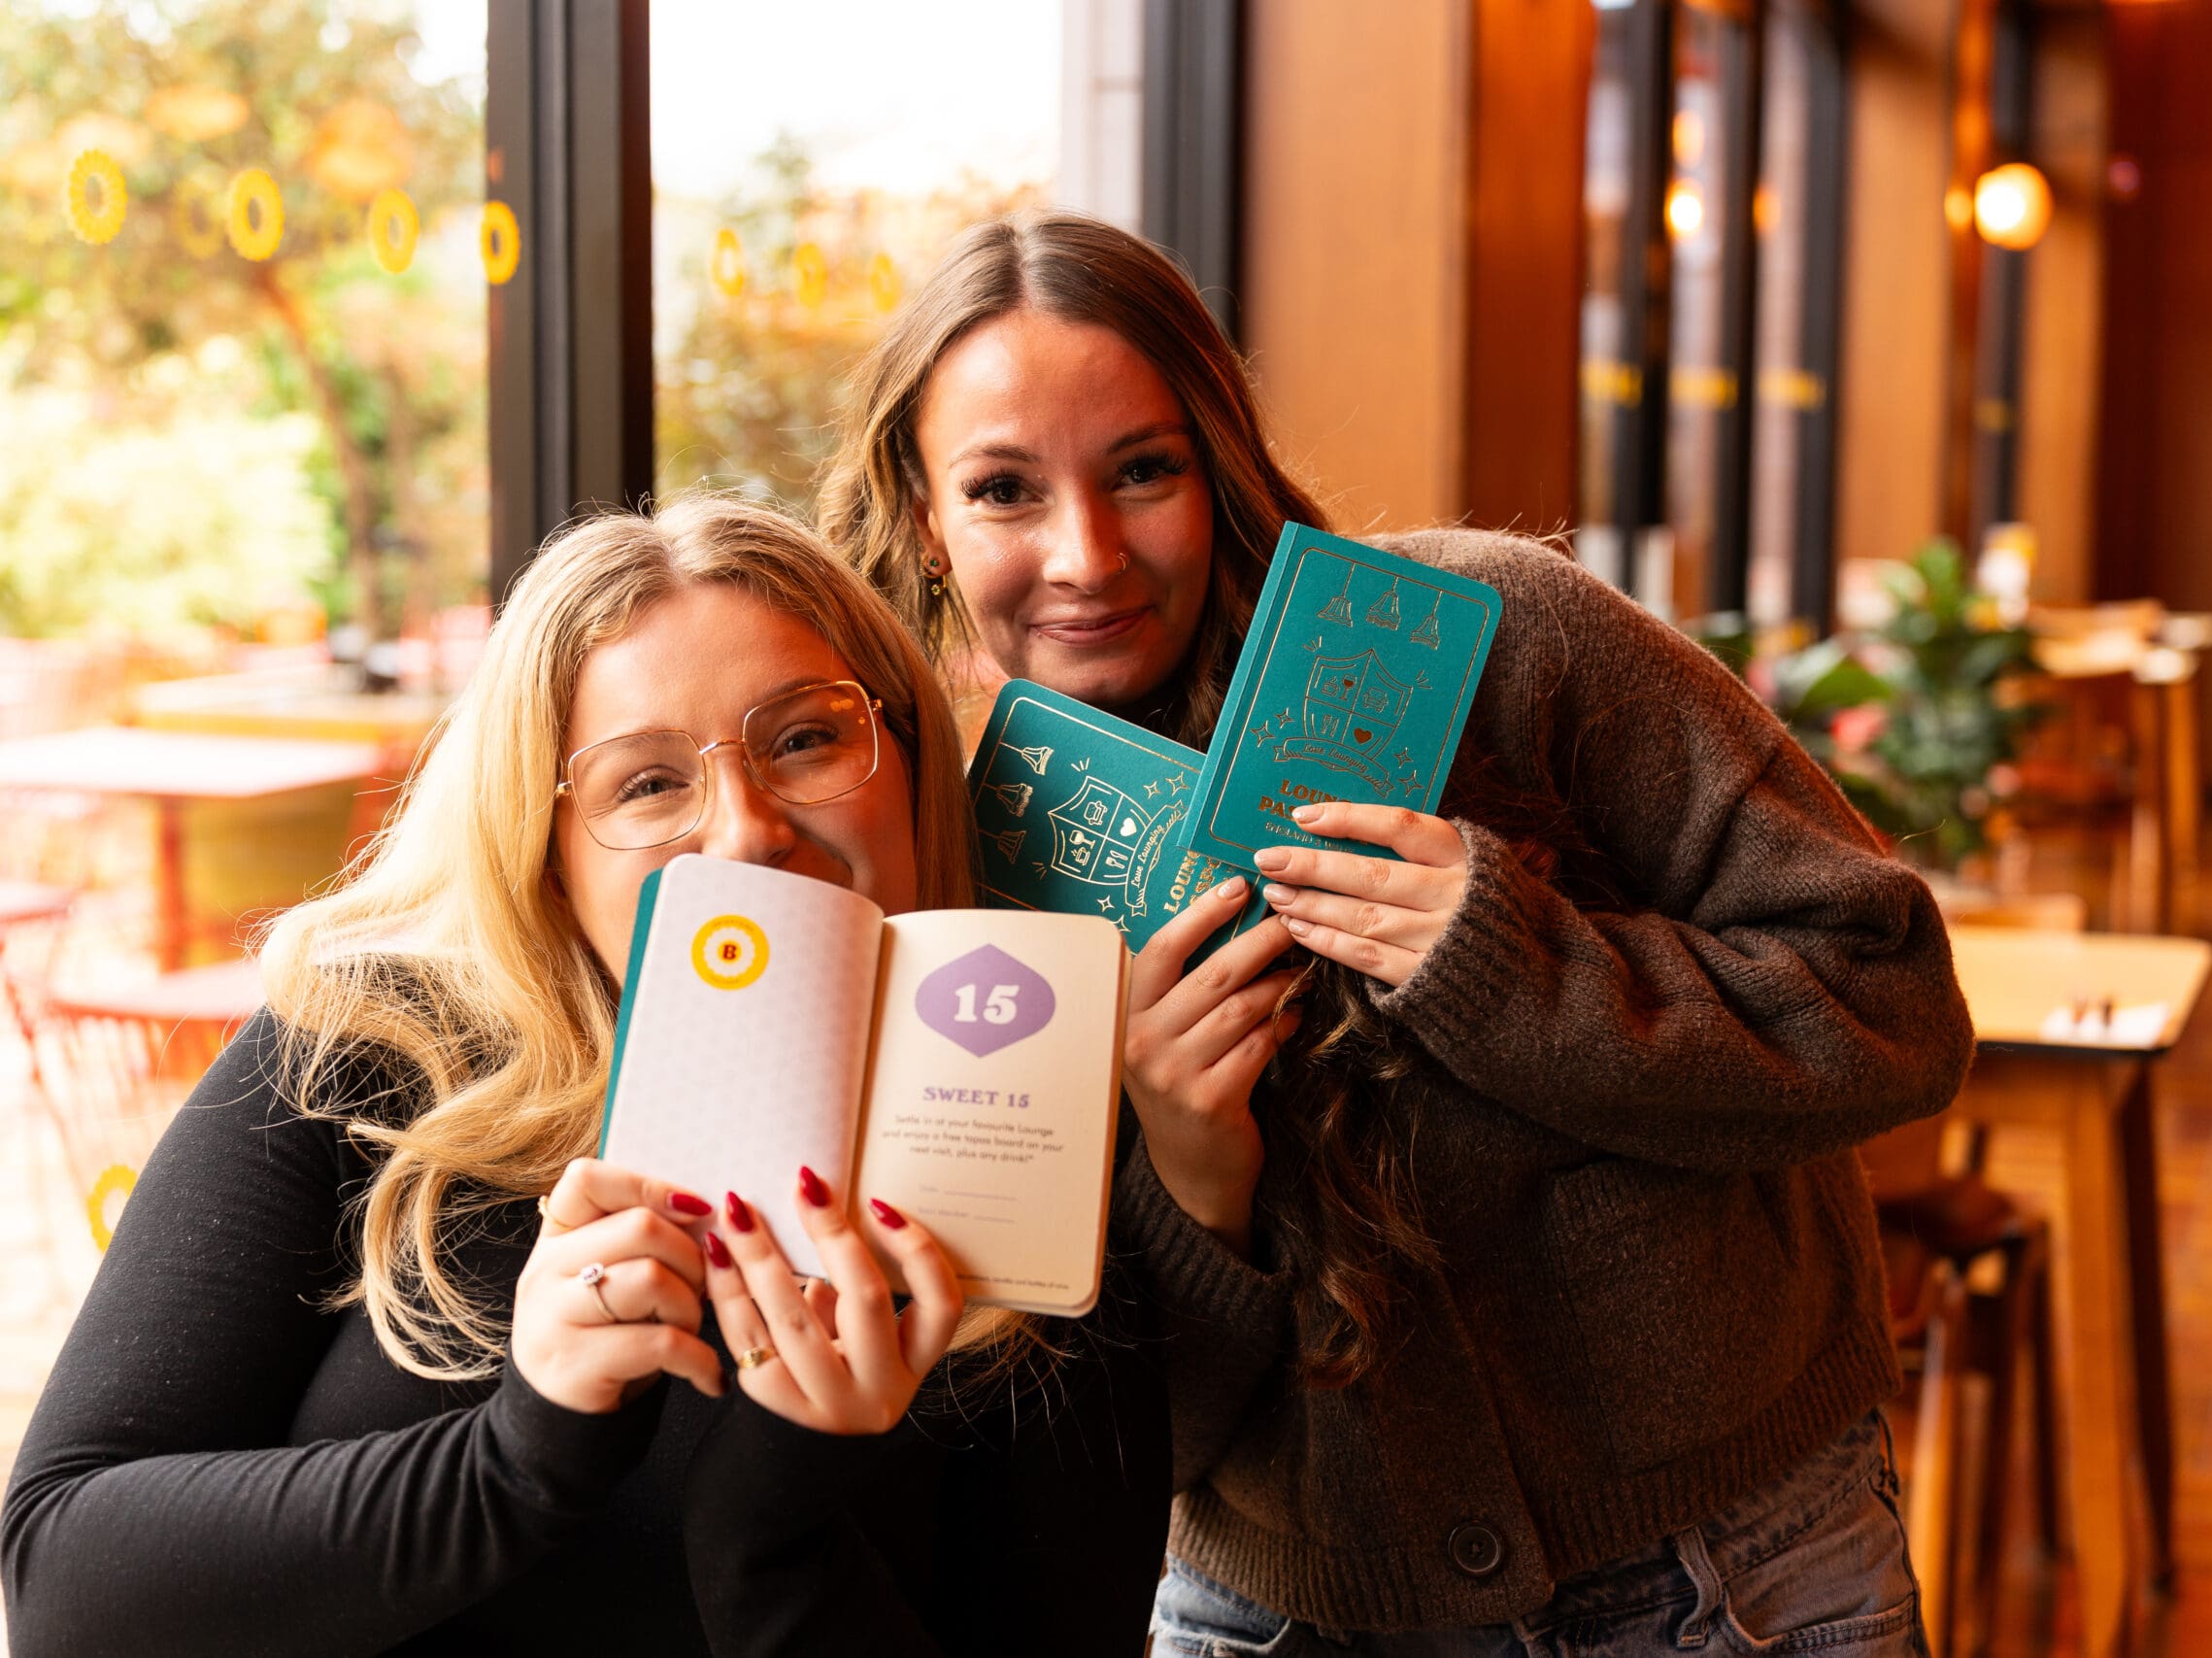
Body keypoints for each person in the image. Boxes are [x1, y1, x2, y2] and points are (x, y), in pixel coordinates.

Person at [821, 212, 1976, 1656]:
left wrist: (1510, 964)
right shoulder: (941, 879)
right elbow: (1113, 1451)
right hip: (1289, 1615)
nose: (1087, 552)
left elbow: (1896, 1002)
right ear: (926, 517)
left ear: (1220, 459)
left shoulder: (1495, 634)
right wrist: (1195, 1175)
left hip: (1736, 1564)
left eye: (1143, 468)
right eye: (1003, 489)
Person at [0, 493, 1168, 1657]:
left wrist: (770, 1529)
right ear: (547, 852)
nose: (747, 830)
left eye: (806, 738)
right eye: (647, 782)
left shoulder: (1038, 1173)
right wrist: (516, 1455)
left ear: (907, 764)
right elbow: (63, 1589)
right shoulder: (360, 1053)